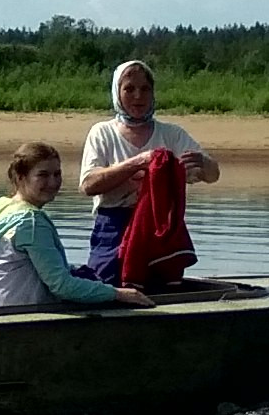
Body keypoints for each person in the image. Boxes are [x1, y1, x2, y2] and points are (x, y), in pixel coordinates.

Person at [76, 58, 219, 281]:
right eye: (129, 89)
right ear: (117, 92)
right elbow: (88, 185)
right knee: (106, 285)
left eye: (145, 89)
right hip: (113, 225)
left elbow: (212, 176)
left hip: (160, 227)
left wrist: (203, 162)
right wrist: (138, 162)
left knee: (162, 288)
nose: (138, 96)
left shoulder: (171, 134)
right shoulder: (102, 132)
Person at [0, 141, 142, 310]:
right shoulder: (30, 221)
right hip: (20, 321)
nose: (53, 183)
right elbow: (62, 286)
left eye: (57, 174)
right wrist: (117, 293)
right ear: (20, 177)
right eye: (43, 175)